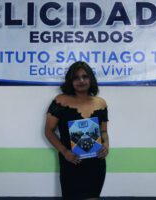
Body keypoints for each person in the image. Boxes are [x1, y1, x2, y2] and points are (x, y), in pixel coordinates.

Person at [45, 61, 109, 200]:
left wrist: (106, 145)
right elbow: (49, 131)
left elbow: (103, 131)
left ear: (91, 79)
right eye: (76, 77)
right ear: (70, 81)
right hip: (71, 161)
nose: (81, 80)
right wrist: (65, 152)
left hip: (96, 162)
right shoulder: (60, 101)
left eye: (85, 76)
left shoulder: (101, 103)